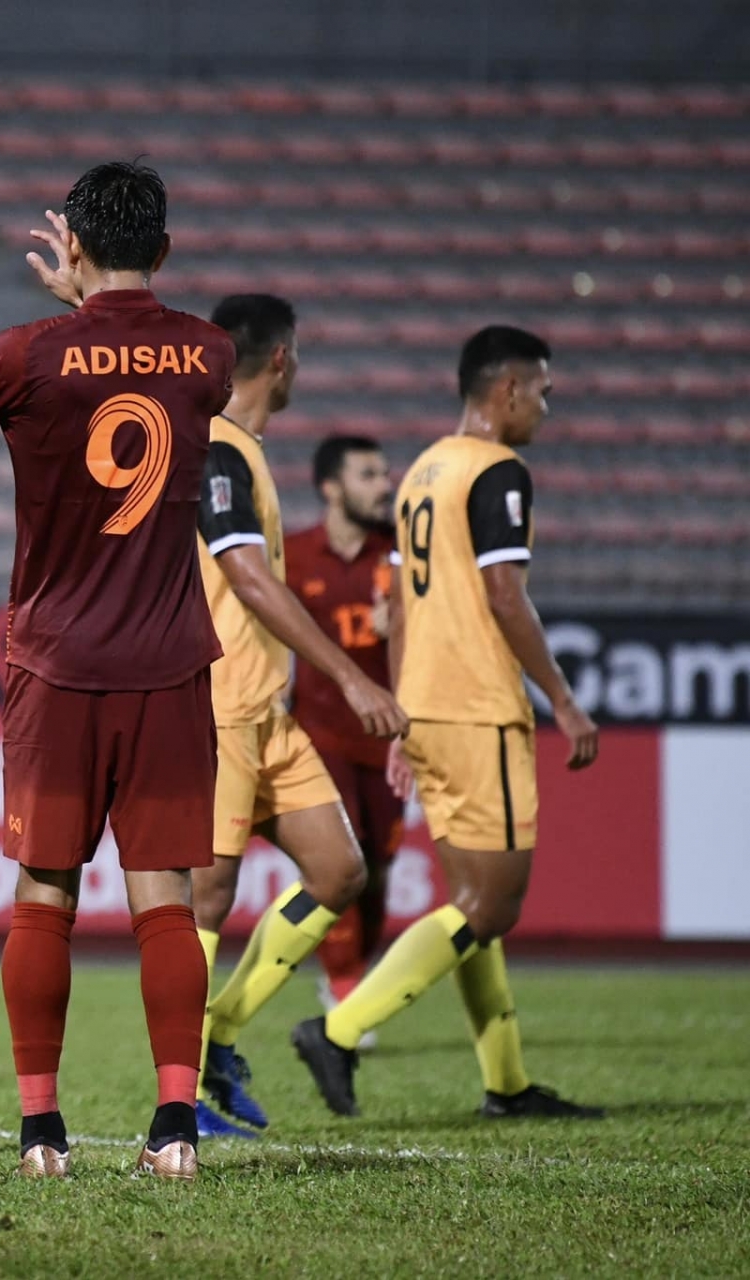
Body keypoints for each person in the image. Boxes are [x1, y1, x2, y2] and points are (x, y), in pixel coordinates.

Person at [0, 161, 236, 1181]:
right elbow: (137, 349)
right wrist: (96, 295)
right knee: (164, 898)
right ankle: (173, 1129)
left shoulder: (23, 355)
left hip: (57, 664)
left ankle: (42, 1134)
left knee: (44, 895)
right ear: (163, 250)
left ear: (68, 244)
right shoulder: (208, 352)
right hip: (167, 664)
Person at [292, 326, 603, 1120]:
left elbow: (394, 609)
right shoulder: (499, 470)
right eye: (541, 390)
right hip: (475, 708)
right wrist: (561, 698)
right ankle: (339, 1028)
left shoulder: (425, 469)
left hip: (426, 706)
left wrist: (401, 715)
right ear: (506, 392)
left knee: (472, 897)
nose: (545, 405)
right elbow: (506, 597)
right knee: (490, 905)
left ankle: (505, 1082)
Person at [189, 295, 409, 1141]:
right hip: (219, 708)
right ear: (281, 359)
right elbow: (245, 573)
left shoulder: (241, 449)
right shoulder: (216, 445)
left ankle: (220, 1033)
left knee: (339, 873)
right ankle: (177, 1100)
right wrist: (352, 678)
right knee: (208, 897)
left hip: (266, 714)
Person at [284, 437, 404, 1036]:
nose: (384, 484)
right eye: (368, 474)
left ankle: (353, 966)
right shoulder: (293, 554)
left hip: (388, 740)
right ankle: (344, 980)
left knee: (378, 869)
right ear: (331, 487)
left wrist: (411, 619)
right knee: (342, 861)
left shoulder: (401, 556)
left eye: (383, 473)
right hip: (318, 733)